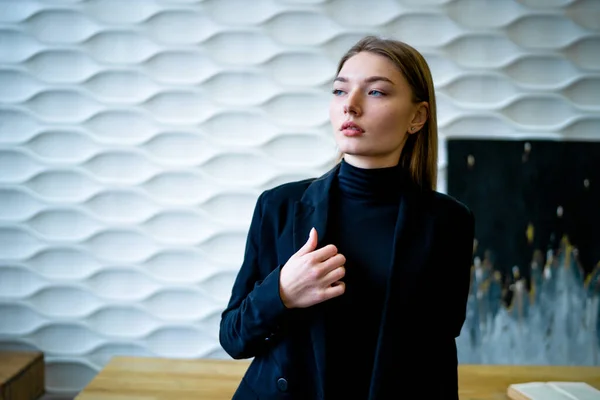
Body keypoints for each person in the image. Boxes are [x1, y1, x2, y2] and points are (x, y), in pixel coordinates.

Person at [219, 35, 475, 400]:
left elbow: (435, 360)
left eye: (376, 93)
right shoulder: (279, 206)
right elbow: (233, 338)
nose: (350, 107)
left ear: (417, 117)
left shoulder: (449, 221)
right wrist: (282, 293)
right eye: (340, 91)